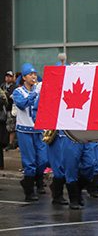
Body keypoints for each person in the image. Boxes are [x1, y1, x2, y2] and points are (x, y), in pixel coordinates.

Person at [13, 63, 47, 201]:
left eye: (35, 74)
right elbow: (22, 104)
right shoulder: (18, 91)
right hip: (24, 130)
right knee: (30, 161)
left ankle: (38, 181)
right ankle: (29, 190)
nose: (34, 77)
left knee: (43, 159)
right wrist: (35, 93)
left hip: (38, 130)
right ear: (24, 77)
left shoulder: (38, 90)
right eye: (30, 74)